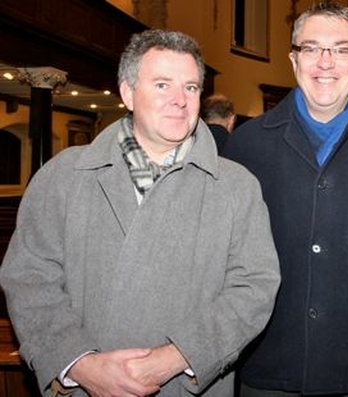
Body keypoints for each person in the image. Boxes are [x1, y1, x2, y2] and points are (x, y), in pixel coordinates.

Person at [0, 29, 280, 396]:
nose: (180, 100)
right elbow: (30, 277)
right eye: (162, 85)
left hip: (182, 386)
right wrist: (80, 363)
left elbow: (254, 287)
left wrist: (177, 356)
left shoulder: (236, 186)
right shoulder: (63, 176)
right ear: (128, 93)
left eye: (191, 87)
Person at [223, 3, 348, 396]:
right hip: (268, 361)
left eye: (341, 49)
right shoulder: (246, 146)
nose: (325, 62)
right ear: (293, 60)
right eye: (312, 48)